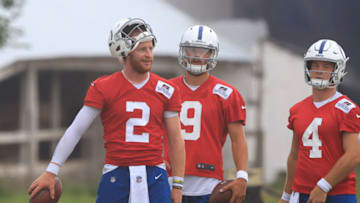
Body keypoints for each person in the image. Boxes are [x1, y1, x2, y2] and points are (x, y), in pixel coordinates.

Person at [28, 17, 185, 203]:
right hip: (117, 172)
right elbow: (76, 129)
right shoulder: (104, 87)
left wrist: (177, 184)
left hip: (155, 174)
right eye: (142, 49)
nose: (149, 54)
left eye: (151, 48)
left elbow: (176, 139)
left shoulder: (165, 89)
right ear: (125, 51)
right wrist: (51, 171)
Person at [164, 25, 249, 203]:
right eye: (192, 49)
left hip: (208, 181)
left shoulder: (227, 94)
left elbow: (238, 139)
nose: (196, 56)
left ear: (212, 54)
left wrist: (242, 176)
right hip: (167, 178)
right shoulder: (165, 89)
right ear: (183, 50)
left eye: (203, 51)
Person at [279, 39, 360, 203]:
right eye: (315, 65)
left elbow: (354, 155)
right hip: (301, 193)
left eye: (326, 66)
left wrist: (323, 186)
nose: (319, 70)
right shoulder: (297, 110)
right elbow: (294, 156)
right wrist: (286, 195)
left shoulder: (347, 109)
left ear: (338, 68)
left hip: (338, 194)